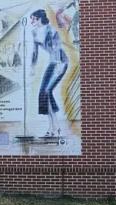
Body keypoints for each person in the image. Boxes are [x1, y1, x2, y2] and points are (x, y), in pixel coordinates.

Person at [30, 9, 68, 137]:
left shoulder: (51, 30)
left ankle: (54, 128)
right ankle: (54, 127)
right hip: (52, 63)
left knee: (47, 92)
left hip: (61, 62)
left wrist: (58, 65)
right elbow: (35, 52)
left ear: (40, 18)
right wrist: (32, 67)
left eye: (33, 19)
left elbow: (57, 48)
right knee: (43, 93)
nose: (32, 21)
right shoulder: (34, 32)